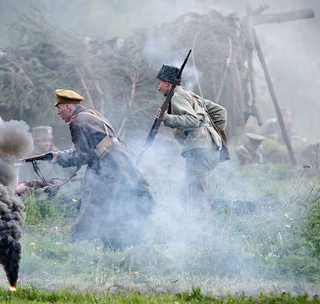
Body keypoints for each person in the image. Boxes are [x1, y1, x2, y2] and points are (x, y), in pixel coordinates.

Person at [47, 89, 156, 249]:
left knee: (97, 207)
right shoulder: (92, 114)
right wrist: (60, 154)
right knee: (120, 202)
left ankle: (76, 245)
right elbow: (91, 147)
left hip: (107, 166)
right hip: (120, 160)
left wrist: (60, 159)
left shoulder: (78, 122)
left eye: (59, 108)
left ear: (68, 107)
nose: (58, 112)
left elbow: (83, 155)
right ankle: (122, 244)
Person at [154, 64, 227, 208]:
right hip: (209, 149)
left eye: (160, 83)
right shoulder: (191, 95)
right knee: (184, 192)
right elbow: (221, 112)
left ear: (168, 84)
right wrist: (213, 136)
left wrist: (166, 118)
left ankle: (202, 227)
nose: (158, 87)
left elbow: (193, 120)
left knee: (195, 195)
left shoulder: (176, 97)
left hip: (200, 150)